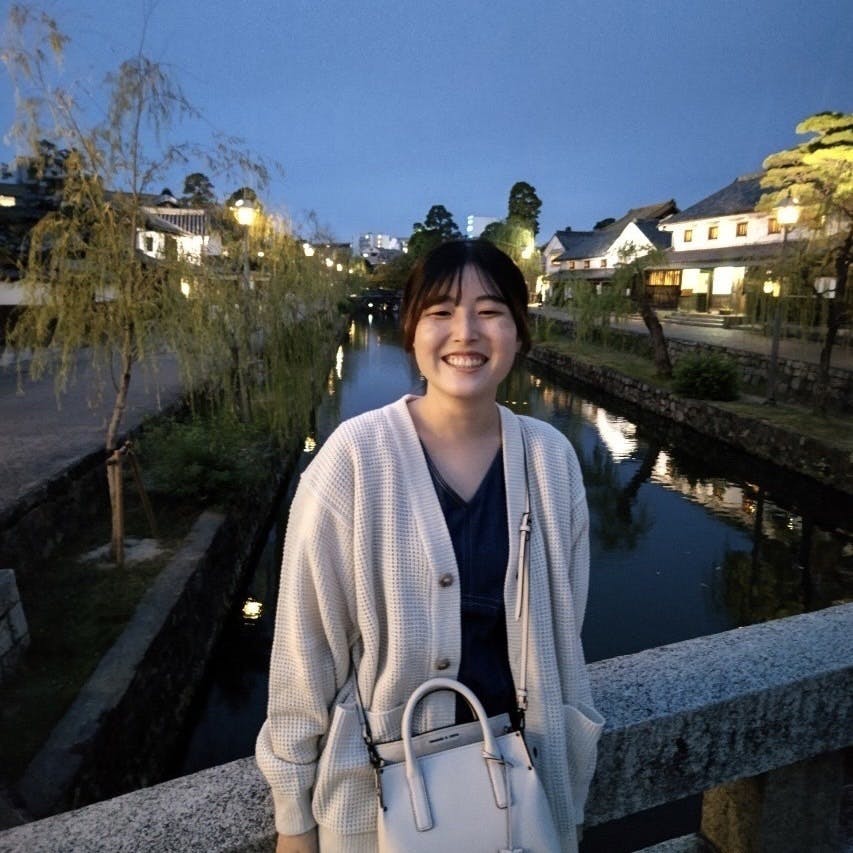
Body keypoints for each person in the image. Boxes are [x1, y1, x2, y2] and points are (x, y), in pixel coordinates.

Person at [256, 239, 603, 853]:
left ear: (519, 331)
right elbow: (303, 648)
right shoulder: (354, 459)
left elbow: (563, 626)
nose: (466, 332)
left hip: (527, 778)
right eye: (441, 311)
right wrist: (293, 815)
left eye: (491, 311)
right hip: (380, 794)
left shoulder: (550, 458)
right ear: (412, 329)